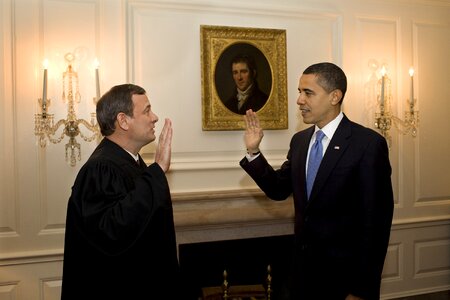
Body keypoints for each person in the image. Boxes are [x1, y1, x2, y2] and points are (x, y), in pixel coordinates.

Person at [240, 62, 394, 300]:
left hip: (344, 281)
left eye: (308, 93)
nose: (299, 100)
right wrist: (253, 153)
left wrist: (361, 289)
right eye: (299, 92)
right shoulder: (300, 141)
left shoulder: (367, 144)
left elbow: (376, 223)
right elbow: (279, 189)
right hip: (302, 275)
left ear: (335, 96)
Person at [61, 84, 180, 299]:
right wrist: (158, 170)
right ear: (123, 121)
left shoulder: (132, 162)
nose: (155, 117)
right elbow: (111, 233)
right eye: (146, 111)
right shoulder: (101, 168)